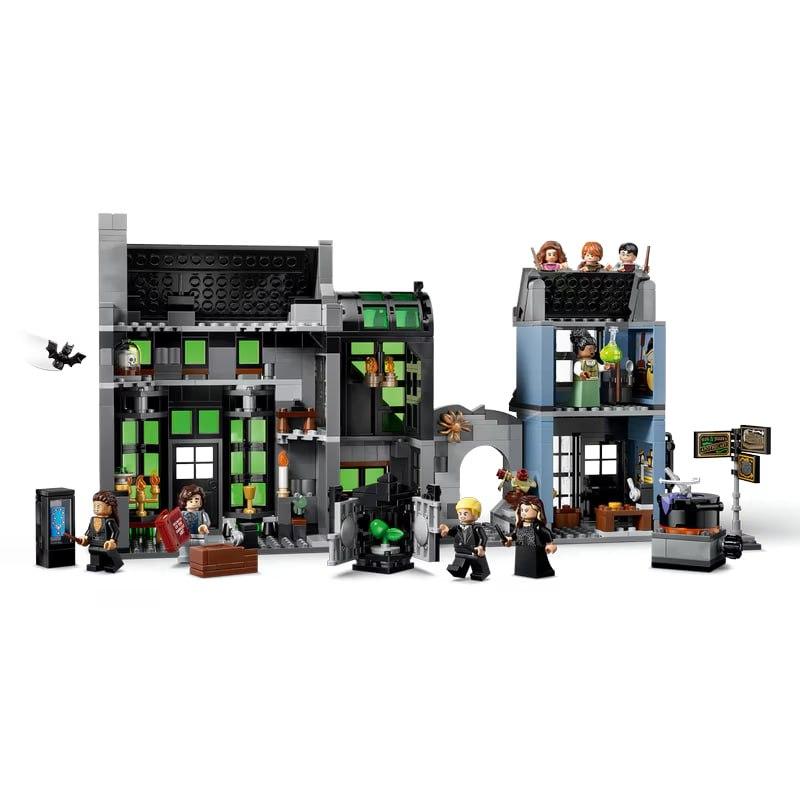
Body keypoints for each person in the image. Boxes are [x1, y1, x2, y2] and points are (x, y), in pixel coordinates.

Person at [502, 495, 557, 578]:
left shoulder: (537, 527)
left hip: (536, 551)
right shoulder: (520, 526)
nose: (523, 513)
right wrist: (509, 539)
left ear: (537, 510)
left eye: (526, 510)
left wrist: (550, 544)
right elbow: (515, 535)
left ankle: (541, 571)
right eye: (522, 510)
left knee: (540, 564)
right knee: (522, 565)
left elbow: (546, 533)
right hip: (521, 551)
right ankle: (522, 571)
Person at [438, 497, 490, 581]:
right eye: (460, 513)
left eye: (465, 514)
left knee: (478, 566)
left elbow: (484, 538)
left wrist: (481, 546)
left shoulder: (476, 528)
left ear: (475, 514)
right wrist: (446, 531)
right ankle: (460, 572)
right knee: (456, 569)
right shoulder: (457, 527)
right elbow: (452, 533)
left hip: (473, 551)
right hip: (460, 551)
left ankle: (479, 573)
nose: (462, 516)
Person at [77, 490, 123, 573]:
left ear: (109, 508)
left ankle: (112, 564)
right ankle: (96, 564)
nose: (96, 508)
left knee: (108, 551)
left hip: (105, 544)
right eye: (94, 506)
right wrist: (85, 538)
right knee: (93, 550)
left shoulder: (109, 521)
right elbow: (89, 530)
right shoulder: (93, 519)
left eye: (99, 506)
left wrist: (112, 541)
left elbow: (115, 531)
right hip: (94, 542)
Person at [570, 328, 613, 408]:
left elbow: (599, 368)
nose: (591, 351)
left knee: (593, 396)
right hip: (582, 383)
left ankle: (593, 404)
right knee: (581, 397)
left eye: (593, 348)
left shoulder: (594, 362)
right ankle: (580, 405)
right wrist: (581, 373)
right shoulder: (579, 363)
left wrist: (605, 367)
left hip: (593, 382)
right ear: (579, 350)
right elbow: (576, 370)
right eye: (589, 349)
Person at [177, 483, 210, 565]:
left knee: (199, 550)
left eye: (196, 500)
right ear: (184, 503)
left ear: (201, 502)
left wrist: (203, 527)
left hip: (198, 537)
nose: (194, 503)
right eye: (190, 500)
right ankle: (184, 557)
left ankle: (198, 558)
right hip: (184, 538)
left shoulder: (202, 514)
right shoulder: (181, 514)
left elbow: (206, 523)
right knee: (184, 549)